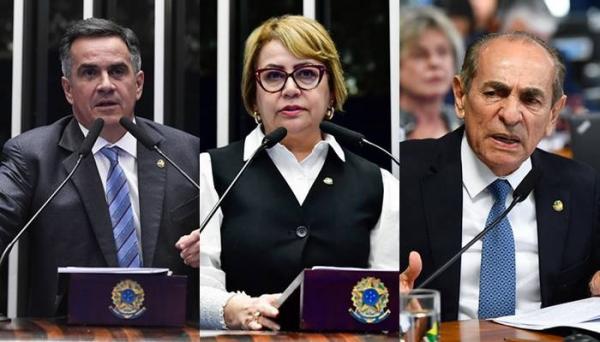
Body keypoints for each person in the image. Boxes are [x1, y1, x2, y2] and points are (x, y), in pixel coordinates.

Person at [197, 15, 399, 330]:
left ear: (331, 91)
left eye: (306, 74)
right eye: (274, 76)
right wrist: (235, 308)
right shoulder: (213, 171)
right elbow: (198, 286)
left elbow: (386, 295)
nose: (290, 89)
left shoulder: (379, 183)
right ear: (254, 95)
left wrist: (398, 296)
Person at [0, 18, 199, 319]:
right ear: (68, 89)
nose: (106, 84)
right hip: (66, 334)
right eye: (90, 73)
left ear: (139, 83)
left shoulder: (184, 153)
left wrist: (212, 245)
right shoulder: (32, 156)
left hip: (170, 330)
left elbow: (233, 239)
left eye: (117, 71)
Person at [400, 31, 600, 321]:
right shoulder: (403, 173)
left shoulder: (581, 187)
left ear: (554, 114)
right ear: (460, 96)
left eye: (531, 99)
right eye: (494, 93)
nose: (511, 115)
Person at [400, 6, 463, 140]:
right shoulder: (387, 128)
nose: (434, 62)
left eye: (442, 52)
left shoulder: (467, 124)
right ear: (397, 64)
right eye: (420, 55)